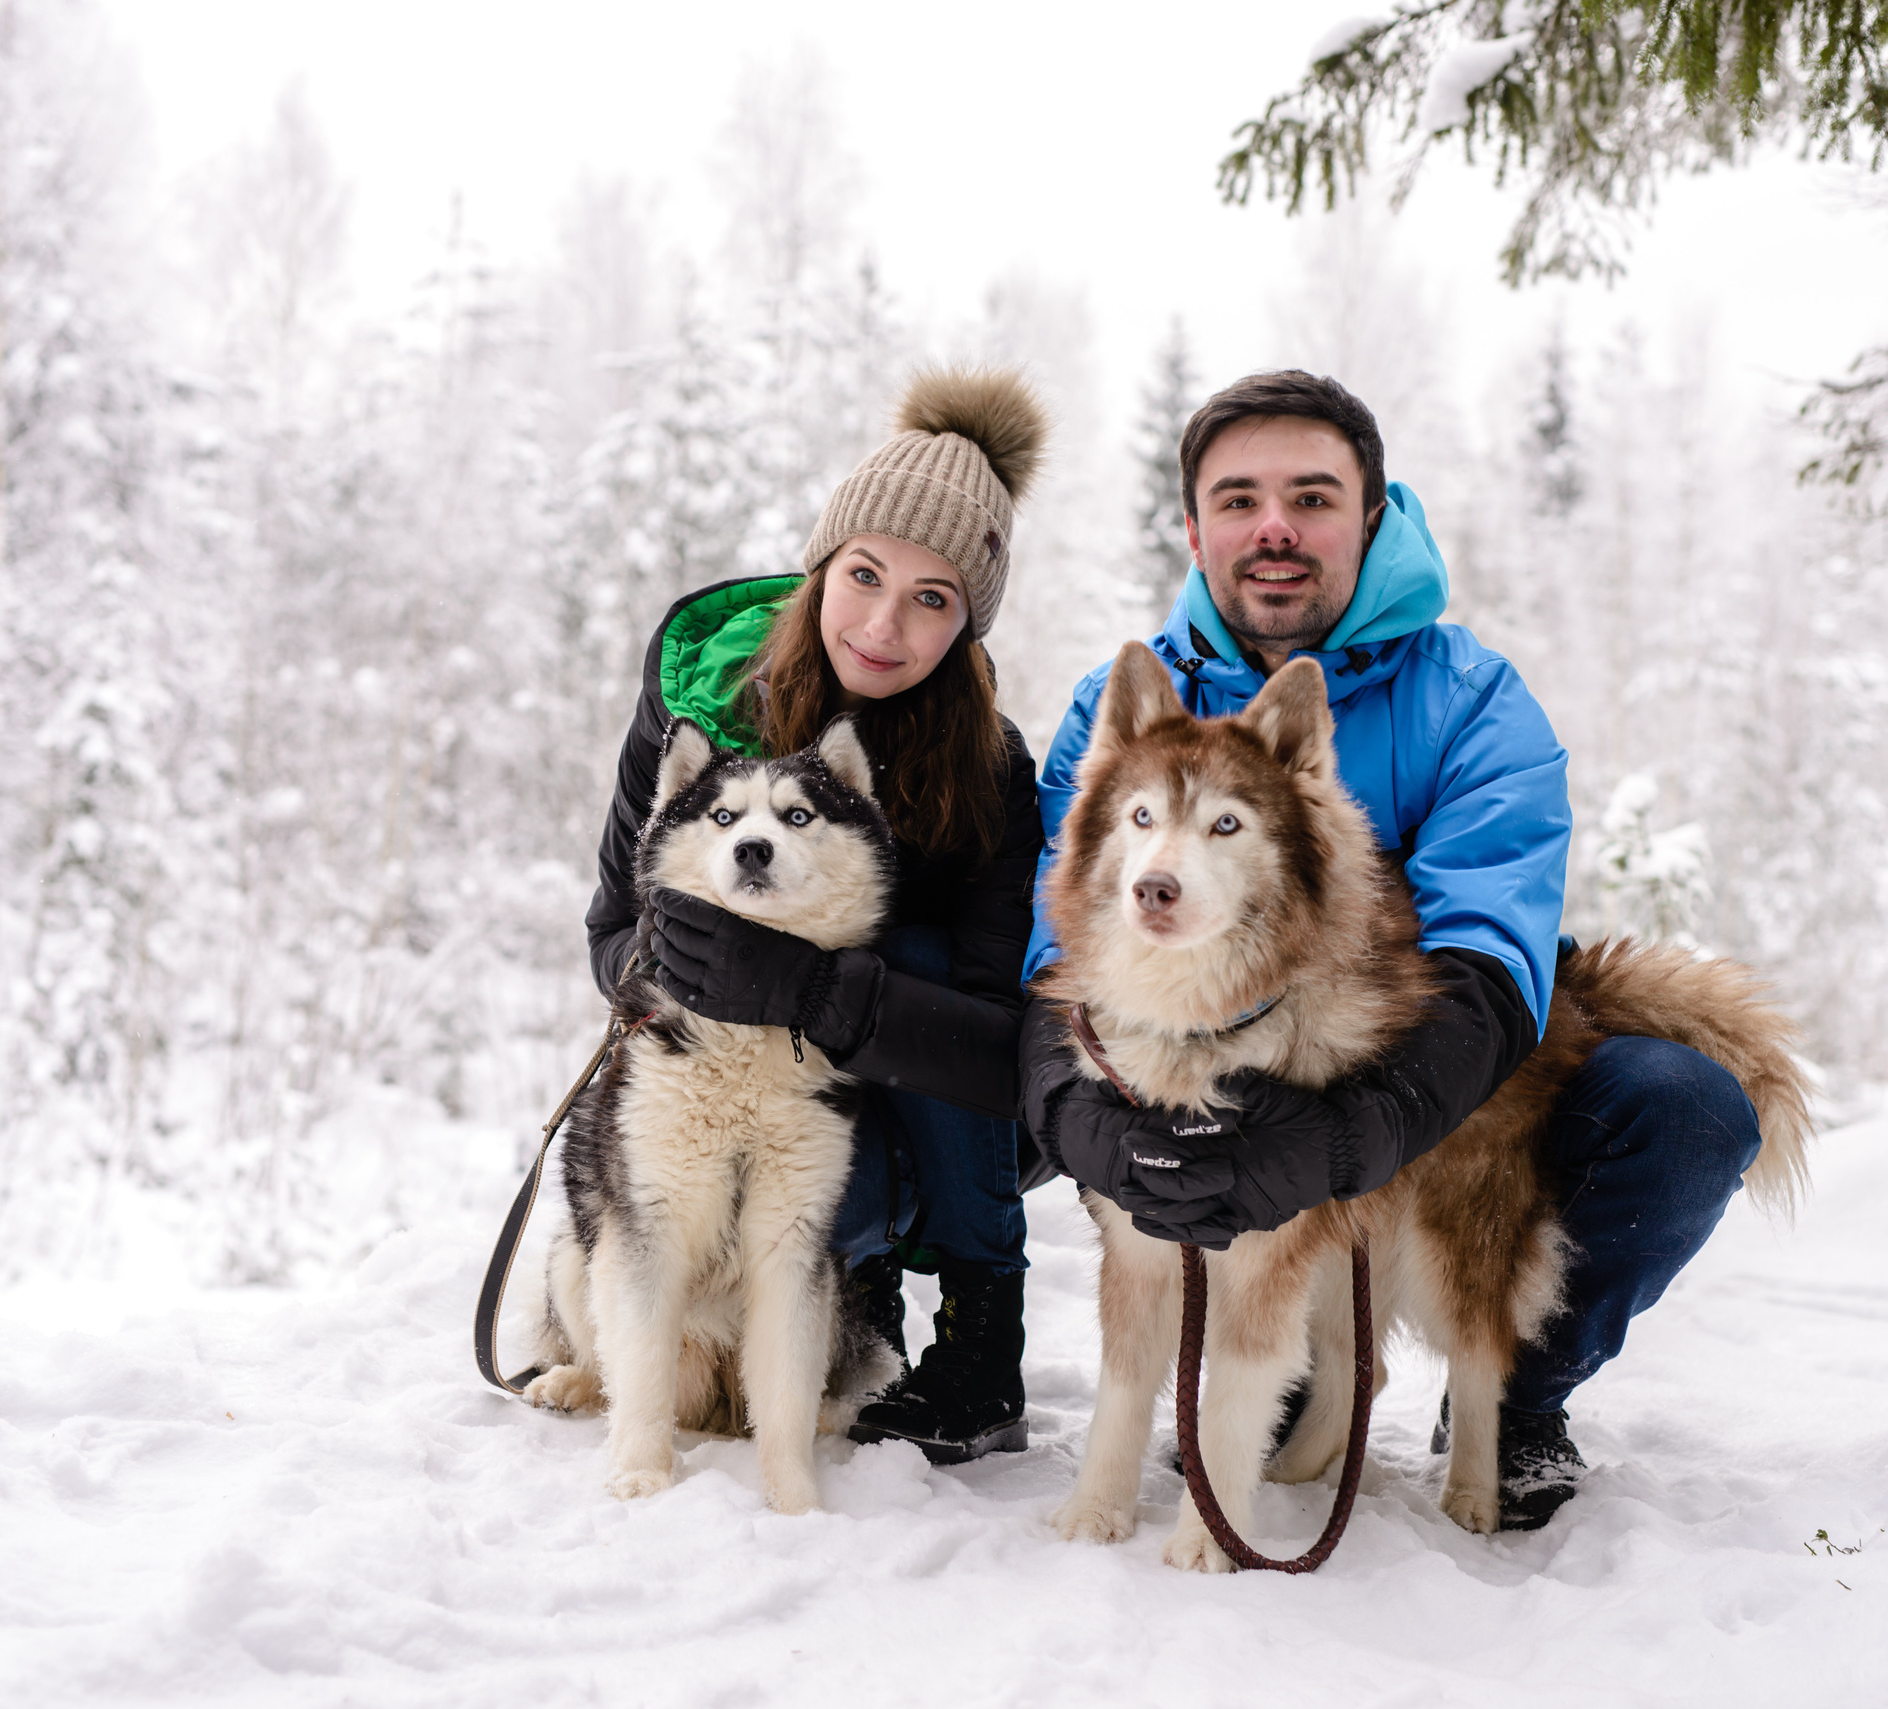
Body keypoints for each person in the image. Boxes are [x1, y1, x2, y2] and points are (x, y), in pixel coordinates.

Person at [1017, 371, 1764, 1529]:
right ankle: (1296, 1363)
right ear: (1195, 526)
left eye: (1311, 497)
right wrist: (1077, 1116)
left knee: (1684, 1106)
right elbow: (1050, 939)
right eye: (1240, 498)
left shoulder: (1470, 701)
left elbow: (1487, 958)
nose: (1273, 526)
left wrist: (1352, 1132)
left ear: (1371, 515)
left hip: (1430, 1065)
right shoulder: (1119, 711)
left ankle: (1513, 1399)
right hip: (1191, 1040)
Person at [585, 369, 1050, 1465]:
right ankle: (845, 1306)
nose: (885, 625)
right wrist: (671, 971)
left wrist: (811, 988)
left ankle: (981, 1341)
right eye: (866, 575)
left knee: (922, 945)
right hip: (729, 1080)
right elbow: (611, 925)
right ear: (821, 565)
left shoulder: (985, 768)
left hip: (917, 1121)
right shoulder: (702, 696)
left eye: (933, 598)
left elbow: (1000, 1050)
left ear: (966, 626)